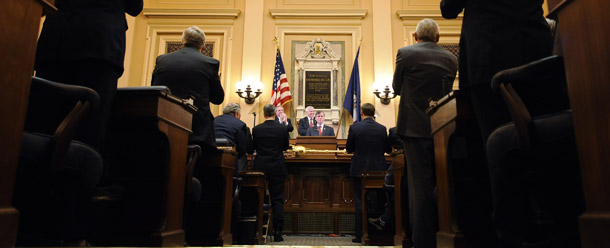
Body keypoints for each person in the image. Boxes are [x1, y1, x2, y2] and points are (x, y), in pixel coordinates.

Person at [441, 2, 553, 247]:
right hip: (538, 53)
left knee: (497, 154)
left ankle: (509, 235)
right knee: (543, 146)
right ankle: (547, 224)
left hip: (489, 57)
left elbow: (448, 7)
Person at [34, 0, 144, 153]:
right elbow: (134, 7)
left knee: (42, 127)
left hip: (55, 43)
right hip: (98, 44)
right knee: (87, 131)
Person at [392, 18, 457, 248]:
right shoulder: (451, 58)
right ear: (438, 38)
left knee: (418, 188)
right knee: (442, 183)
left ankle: (422, 241)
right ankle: (443, 235)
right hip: (444, 129)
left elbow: (396, 88)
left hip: (414, 128)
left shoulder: (405, 54)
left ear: (416, 37)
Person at [151, 26, 225, 152]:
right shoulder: (210, 63)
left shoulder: (162, 60)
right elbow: (218, 98)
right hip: (196, 130)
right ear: (203, 46)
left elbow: (154, 88)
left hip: (163, 127)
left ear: (182, 43)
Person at [345, 103, 391, 243]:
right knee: (379, 200)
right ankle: (378, 235)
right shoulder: (382, 129)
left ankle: (360, 235)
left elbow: (348, 149)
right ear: (373, 113)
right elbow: (388, 149)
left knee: (360, 201)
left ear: (362, 113)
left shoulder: (355, 128)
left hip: (360, 169)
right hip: (379, 170)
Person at [252, 104, 290, 242]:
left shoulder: (256, 129)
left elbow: (252, 147)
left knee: (258, 198)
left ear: (264, 114)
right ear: (275, 114)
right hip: (277, 166)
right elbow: (285, 146)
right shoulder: (282, 129)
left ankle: (256, 231)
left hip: (260, 166)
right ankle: (278, 232)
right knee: (277, 199)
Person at [213, 103, 253, 172]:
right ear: (236, 113)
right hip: (230, 160)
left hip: (211, 154)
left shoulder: (214, 120)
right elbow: (242, 148)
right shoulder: (240, 124)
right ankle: (239, 179)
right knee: (242, 157)